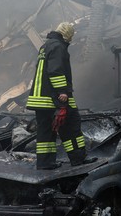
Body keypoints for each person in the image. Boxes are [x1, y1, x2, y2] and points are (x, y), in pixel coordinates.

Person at [26, 21, 86, 168]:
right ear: (67, 34)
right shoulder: (58, 47)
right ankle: (78, 159)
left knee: (46, 131)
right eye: (71, 36)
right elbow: (55, 71)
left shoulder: (46, 46)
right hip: (54, 97)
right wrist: (62, 92)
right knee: (71, 124)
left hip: (40, 99)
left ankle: (45, 163)